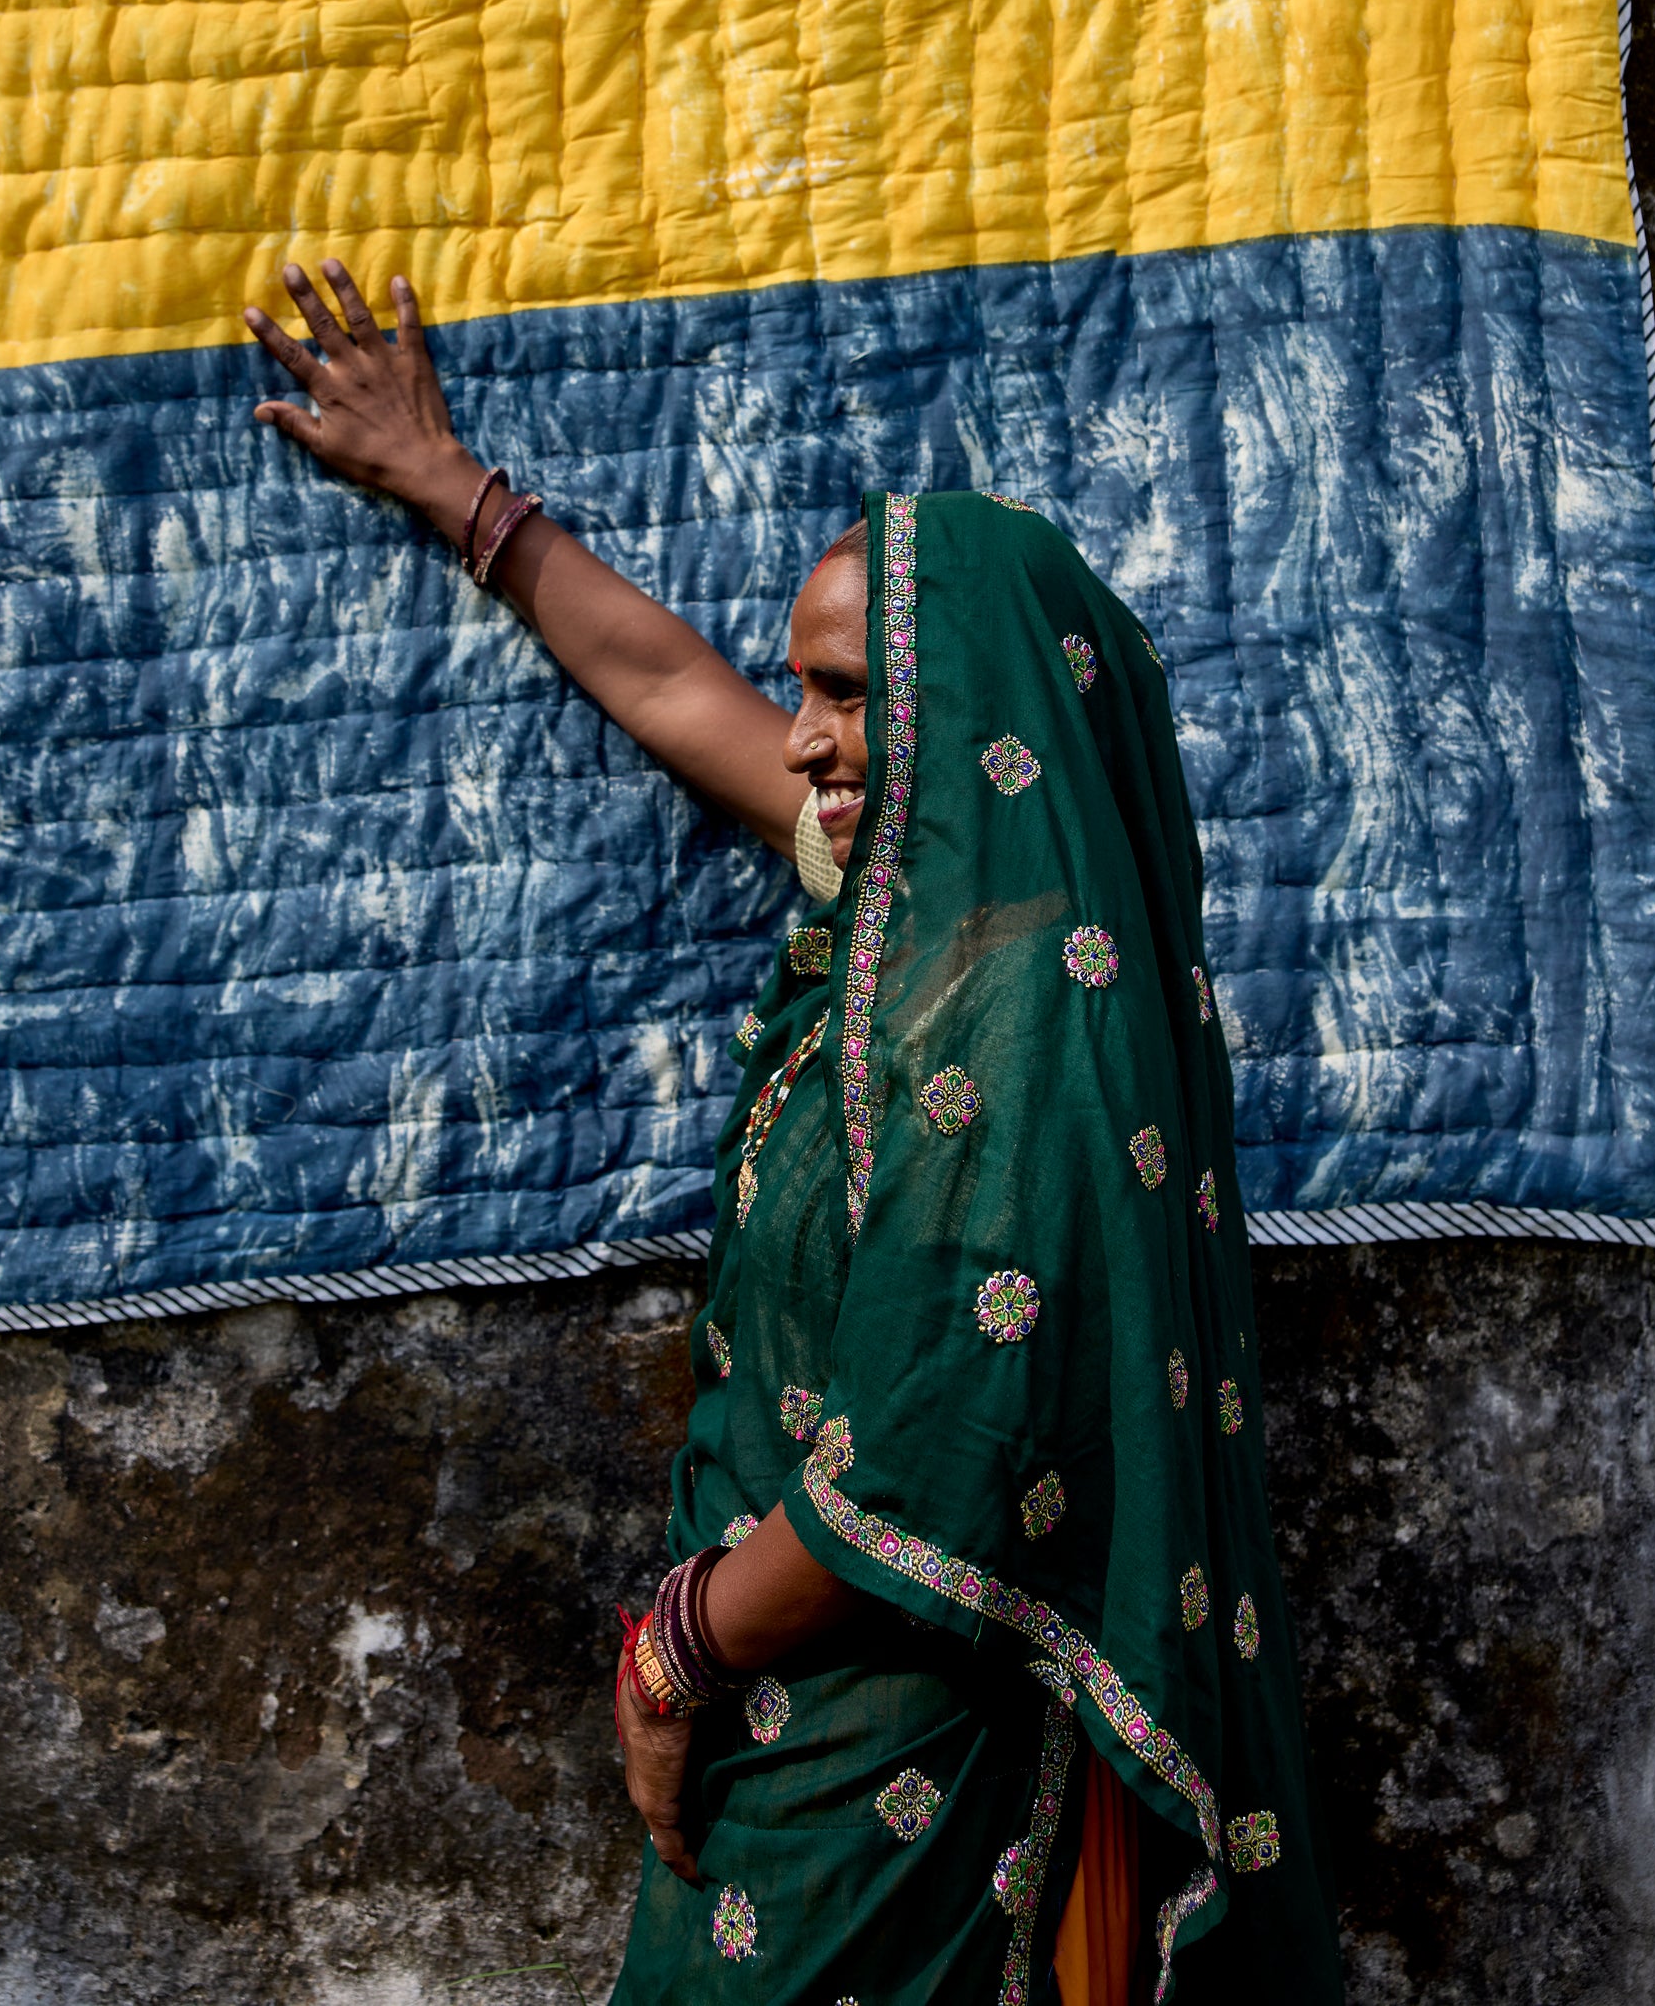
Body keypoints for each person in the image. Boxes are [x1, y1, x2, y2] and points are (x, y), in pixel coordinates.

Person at [246, 259, 1342, 2006]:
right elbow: (674, 687)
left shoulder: (1025, 1020)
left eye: (845, 695)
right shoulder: (900, 920)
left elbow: (933, 1448)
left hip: (918, 1743)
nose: (807, 745)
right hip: (798, 1722)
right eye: (807, 695)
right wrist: (452, 488)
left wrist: (672, 1651)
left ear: (971, 717)